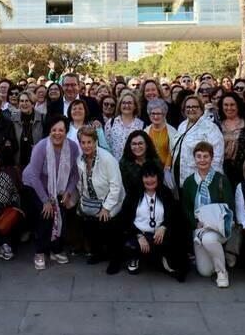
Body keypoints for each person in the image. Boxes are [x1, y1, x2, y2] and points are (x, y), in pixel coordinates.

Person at [22, 116, 81, 270]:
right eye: (54, 130)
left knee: (61, 212)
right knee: (46, 214)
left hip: (58, 187)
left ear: (66, 132)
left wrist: (68, 192)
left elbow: (75, 174)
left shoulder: (73, 147)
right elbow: (34, 175)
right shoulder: (41, 146)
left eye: (61, 130)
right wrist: (46, 200)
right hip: (34, 185)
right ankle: (40, 252)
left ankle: (56, 249)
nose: (57, 133)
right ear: (49, 131)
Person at [115, 163, 188, 280]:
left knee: (176, 235)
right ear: (141, 178)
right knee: (126, 239)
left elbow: (173, 215)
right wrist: (138, 235)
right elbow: (125, 218)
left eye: (153, 176)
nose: (149, 180)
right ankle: (135, 256)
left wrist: (163, 227)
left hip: (159, 235)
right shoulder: (134, 194)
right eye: (146, 177)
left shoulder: (166, 193)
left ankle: (163, 257)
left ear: (158, 177)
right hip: (138, 234)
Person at [180, 141, 236, 288]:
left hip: (219, 226)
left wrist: (217, 221)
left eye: (206, 156)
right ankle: (217, 255)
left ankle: (222, 272)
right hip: (199, 227)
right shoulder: (189, 182)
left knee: (209, 239)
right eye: (199, 156)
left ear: (212, 158)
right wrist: (195, 223)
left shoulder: (221, 180)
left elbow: (230, 205)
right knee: (205, 271)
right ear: (194, 159)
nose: (202, 160)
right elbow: (186, 207)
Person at [75, 126, 126, 267]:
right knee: (91, 227)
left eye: (89, 142)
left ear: (96, 141)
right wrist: (81, 200)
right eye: (83, 142)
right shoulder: (80, 160)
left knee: (107, 225)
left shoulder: (107, 159)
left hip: (110, 200)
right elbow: (81, 183)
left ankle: (116, 259)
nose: (86, 146)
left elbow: (116, 186)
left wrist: (107, 208)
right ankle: (99, 253)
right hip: (91, 201)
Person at [170, 94, 223, 186]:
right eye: (188, 107)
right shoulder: (182, 126)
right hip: (180, 177)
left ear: (201, 109)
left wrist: (210, 181)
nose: (191, 109)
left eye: (195, 106)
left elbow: (217, 157)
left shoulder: (210, 128)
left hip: (200, 180)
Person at [215, 91, 245, 179]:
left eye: (232, 104)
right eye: (226, 105)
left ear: (238, 105)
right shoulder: (217, 126)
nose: (229, 108)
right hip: (223, 173)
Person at [119, 130, 164, 195]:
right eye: (134, 144)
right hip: (133, 197)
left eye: (140, 143)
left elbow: (160, 182)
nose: (137, 147)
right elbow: (125, 186)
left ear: (147, 145)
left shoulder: (155, 160)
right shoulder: (124, 162)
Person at [104, 91, 144, 160]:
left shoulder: (141, 125)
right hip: (114, 165)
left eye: (129, 103)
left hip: (133, 166)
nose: (126, 106)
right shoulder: (111, 123)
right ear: (119, 105)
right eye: (124, 103)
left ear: (135, 106)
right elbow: (106, 146)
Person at [11, 91, 44, 167]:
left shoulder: (42, 118)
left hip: (37, 163)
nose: (24, 103)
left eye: (27, 101)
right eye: (21, 101)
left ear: (33, 104)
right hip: (19, 163)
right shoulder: (13, 119)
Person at [144, 99, 178, 169]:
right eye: (153, 113)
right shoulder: (145, 132)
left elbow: (173, 152)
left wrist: (166, 167)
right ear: (149, 114)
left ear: (164, 114)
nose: (156, 117)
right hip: (149, 170)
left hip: (167, 170)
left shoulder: (172, 131)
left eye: (159, 113)